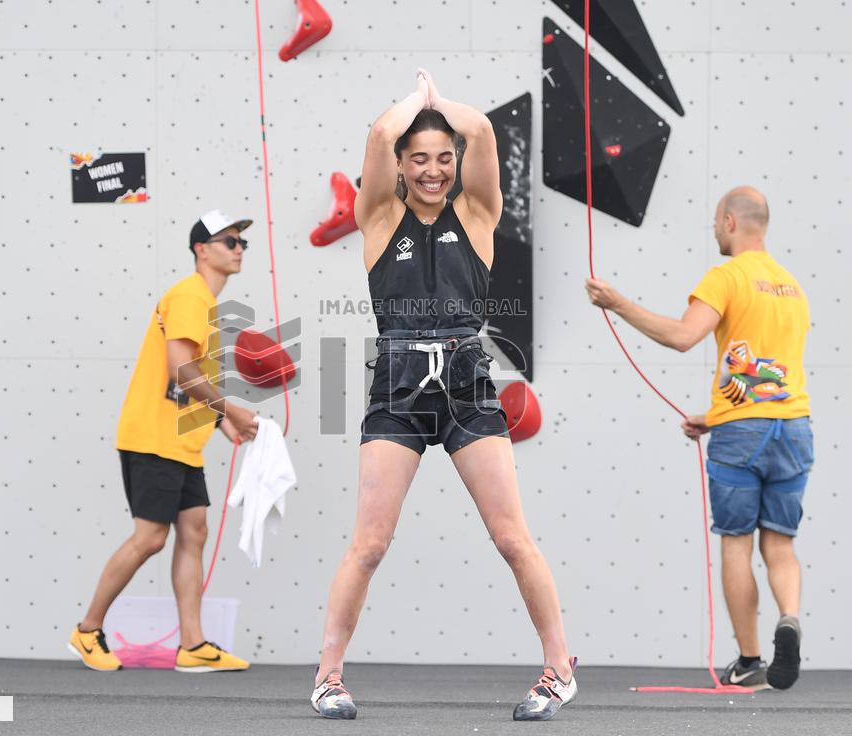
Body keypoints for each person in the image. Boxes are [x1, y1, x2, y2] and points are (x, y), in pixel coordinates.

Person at [311, 70, 577, 722]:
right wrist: (415, 105)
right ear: (400, 166)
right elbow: (378, 132)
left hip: (466, 384)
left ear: (456, 166)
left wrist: (440, 105)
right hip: (398, 384)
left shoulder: (477, 213)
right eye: (419, 158)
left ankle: (560, 670)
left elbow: (482, 130)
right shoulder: (377, 217)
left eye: (443, 159)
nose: (433, 170)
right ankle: (327, 677)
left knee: (513, 538)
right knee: (368, 545)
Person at [585, 186, 812, 690]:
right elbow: (773, 376)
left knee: (736, 542)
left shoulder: (727, 277)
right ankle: (790, 617)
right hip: (794, 429)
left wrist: (619, 303)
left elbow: (684, 336)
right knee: (780, 544)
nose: (713, 230)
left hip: (742, 436)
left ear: (730, 221)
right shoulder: (792, 287)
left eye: (714, 221)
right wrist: (714, 415)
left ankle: (751, 659)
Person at [67, 209, 260, 673]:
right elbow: (181, 368)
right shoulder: (191, 296)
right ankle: (87, 630)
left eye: (242, 243)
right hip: (155, 438)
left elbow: (186, 380)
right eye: (229, 241)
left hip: (180, 442)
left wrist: (218, 424)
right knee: (151, 538)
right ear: (202, 250)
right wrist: (231, 410)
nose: (238, 250)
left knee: (193, 531)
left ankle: (192, 645)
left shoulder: (202, 303)